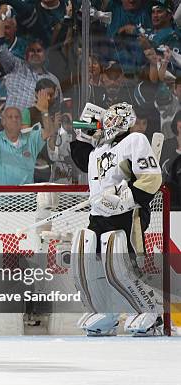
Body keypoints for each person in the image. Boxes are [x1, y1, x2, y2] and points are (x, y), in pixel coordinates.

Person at [71, 102, 163, 336]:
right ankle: (106, 311)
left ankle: (148, 309)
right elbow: (82, 155)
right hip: (98, 216)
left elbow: (151, 179)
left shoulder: (135, 141)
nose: (106, 124)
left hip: (126, 214)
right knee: (88, 259)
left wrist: (125, 197)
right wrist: (81, 132)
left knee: (123, 262)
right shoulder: (98, 151)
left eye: (109, 120)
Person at [0, 90, 54, 185]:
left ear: (21, 121)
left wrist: (45, 112)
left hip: (24, 198)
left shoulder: (31, 139)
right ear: (3, 122)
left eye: (17, 117)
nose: (14, 119)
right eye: (10, 117)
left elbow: (49, 132)